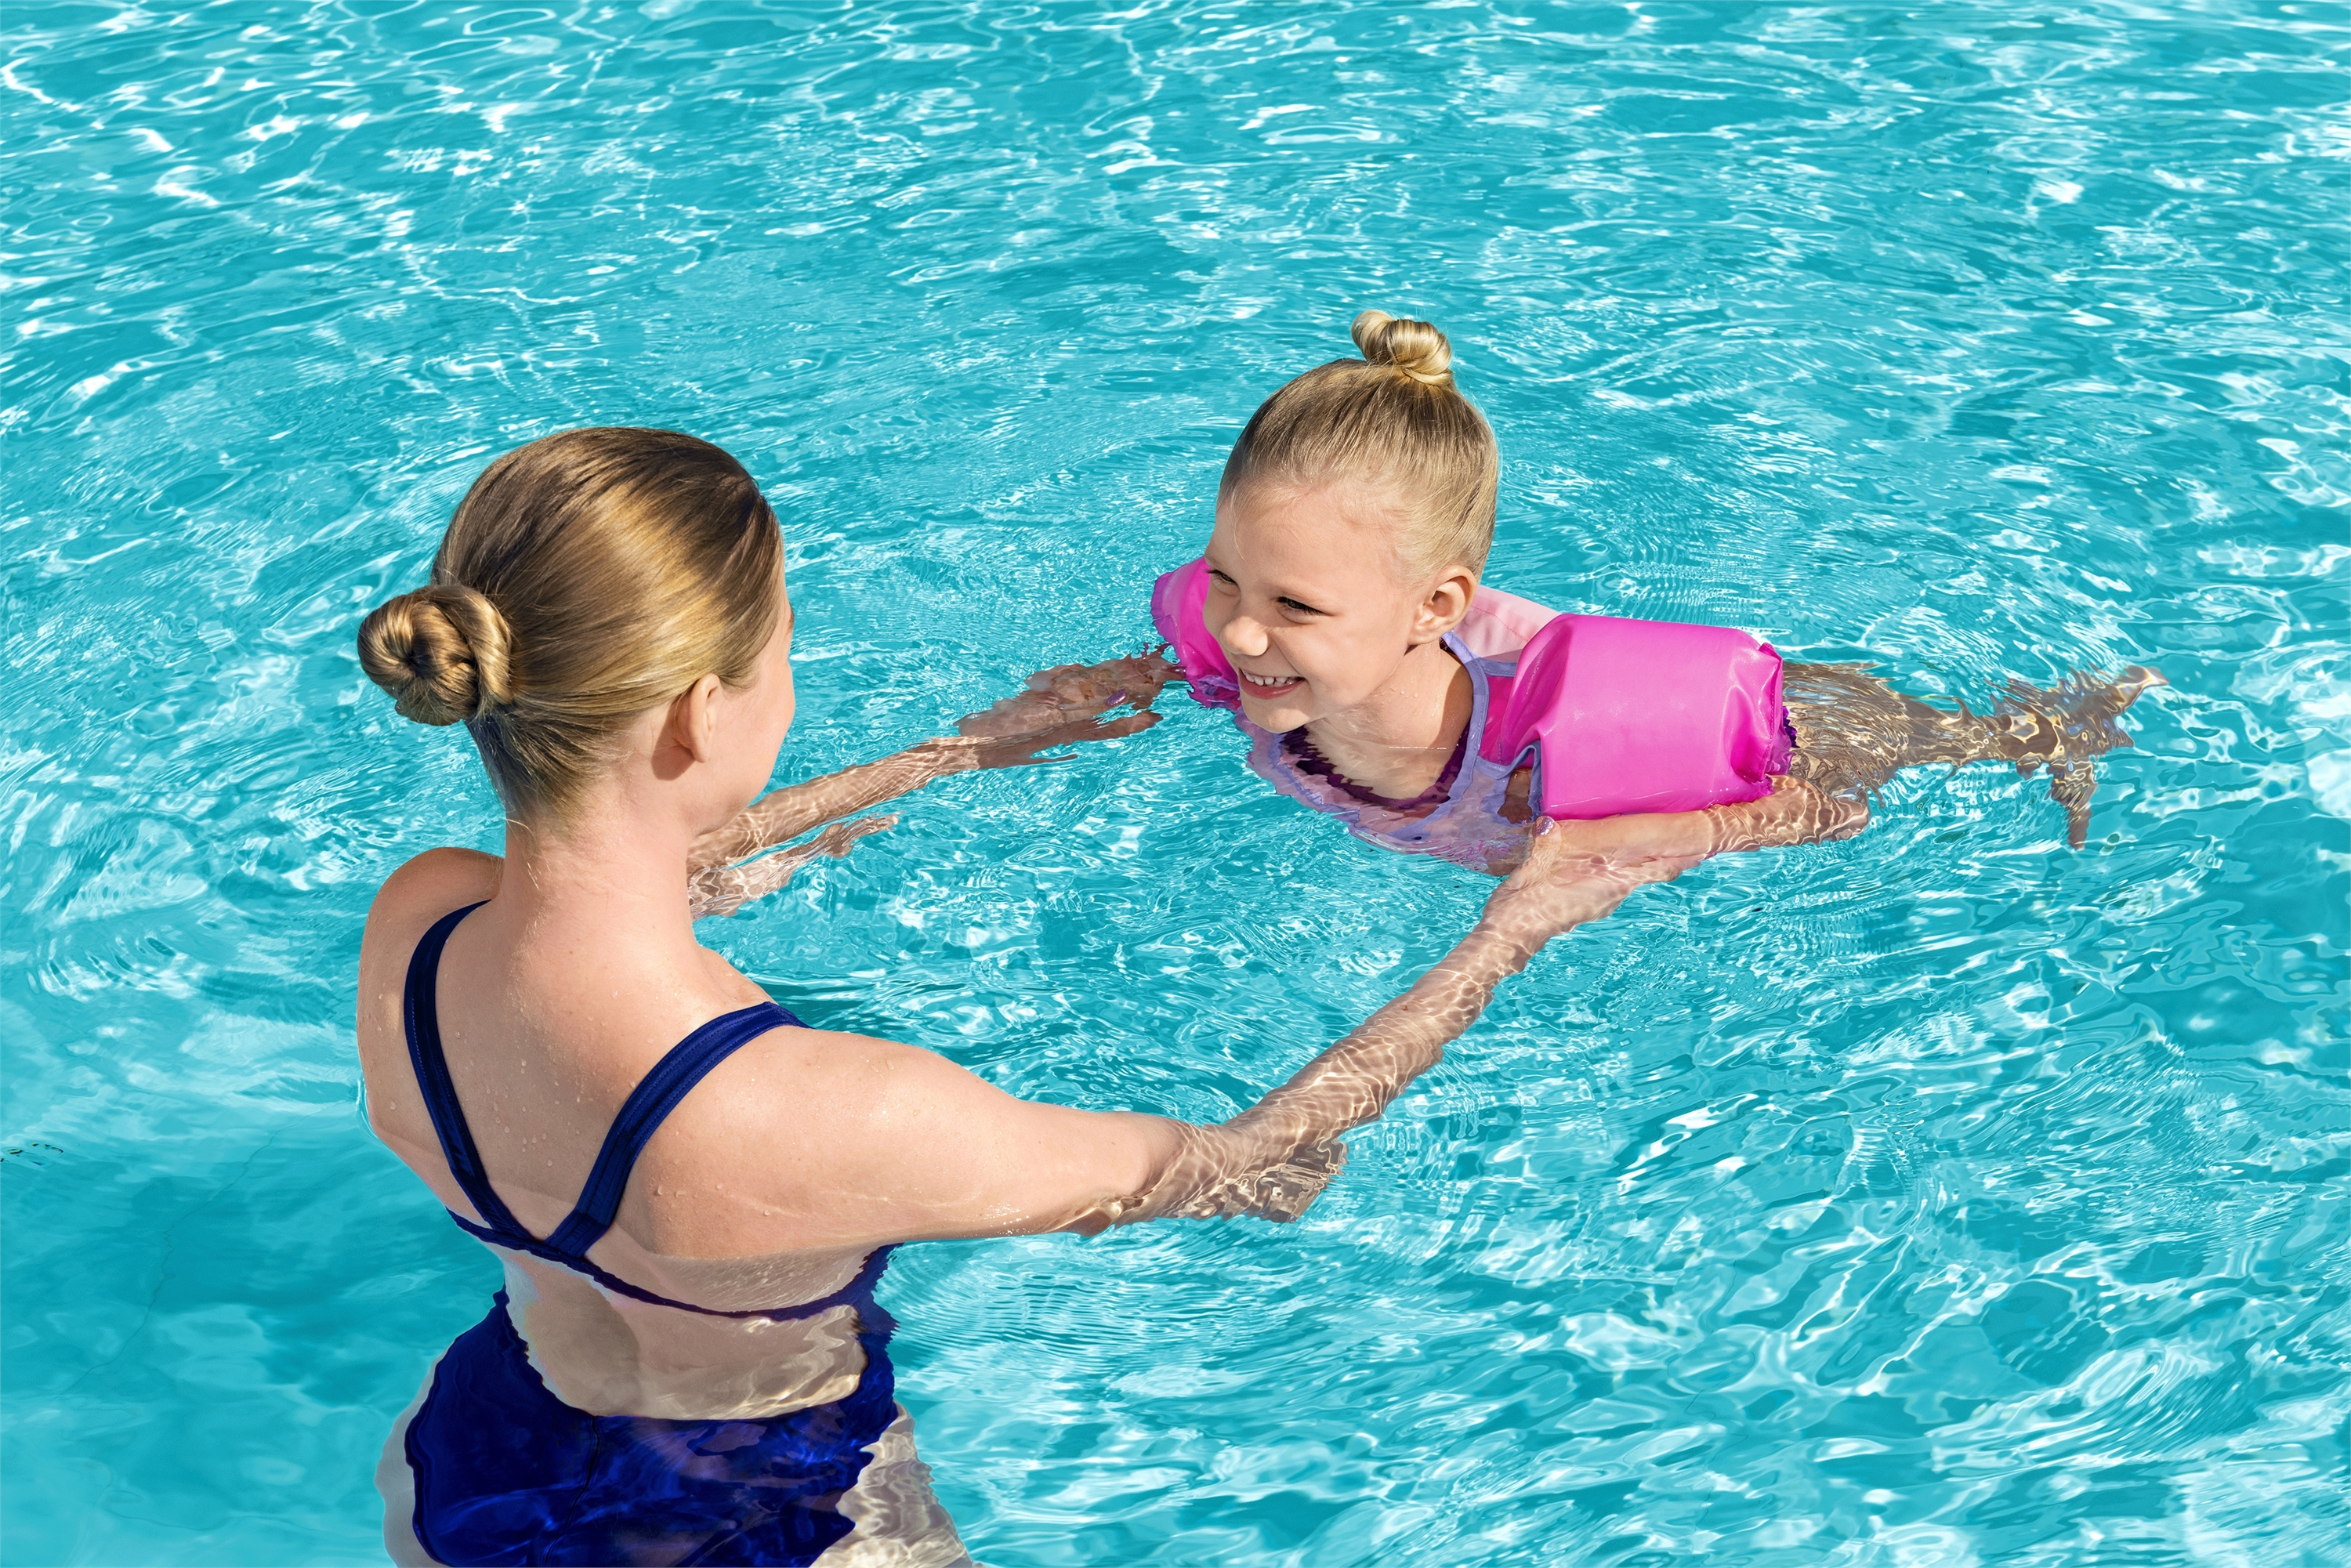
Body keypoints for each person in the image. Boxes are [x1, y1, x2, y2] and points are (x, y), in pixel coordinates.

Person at [352, 426, 1852, 1566]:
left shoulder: (417, 931)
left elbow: (643, 875)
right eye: (785, 649)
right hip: (772, 1526)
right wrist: (1522, 920)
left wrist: (961, 753)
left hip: (476, 1459)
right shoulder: (813, 1113)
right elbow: (1258, 1171)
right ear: (701, 711)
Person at [965, 311, 2160, 873]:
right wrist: (1047, 713)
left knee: (1926, 746)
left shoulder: (1549, 768)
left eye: (1293, 606)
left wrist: (1643, 849)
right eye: (1226, 578)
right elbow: (1180, 664)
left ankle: (2062, 722)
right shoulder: (1245, 661)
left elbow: (1818, 813)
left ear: (1435, 608)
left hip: (1775, 733)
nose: (1235, 629)